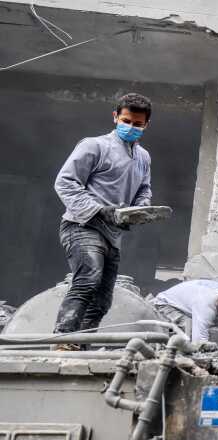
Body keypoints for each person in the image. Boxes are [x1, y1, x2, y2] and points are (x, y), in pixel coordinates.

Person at [52, 93, 154, 348]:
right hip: (82, 225)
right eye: (126, 121)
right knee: (87, 280)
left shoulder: (143, 157)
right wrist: (99, 210)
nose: (131, 127)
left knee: (102, 299)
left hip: (112, 234)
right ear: (115, 117)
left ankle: (81, 345)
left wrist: (140, 209)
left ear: (146, 125)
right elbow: (65, 182)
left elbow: (144, 189)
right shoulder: (94, 146)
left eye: (138, 124)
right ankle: (63, 338)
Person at [151, 280, 218, 346]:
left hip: (184, 306)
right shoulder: (207, 305)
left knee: (197, 330)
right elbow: (199, 342)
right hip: (165, 304)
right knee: (189, 333)